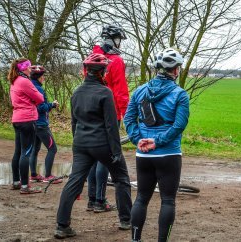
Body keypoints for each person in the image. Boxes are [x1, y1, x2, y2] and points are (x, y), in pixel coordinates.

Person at [55, 53, 132, 239]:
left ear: (87, 71)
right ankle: (126, 220)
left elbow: (74, 123)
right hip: (102, 144)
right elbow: (111, 125)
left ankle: (62, 225)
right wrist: (116, 151)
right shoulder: (105, 92)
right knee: (121, 177)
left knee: (74, 181)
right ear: (102, 72)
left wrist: (78, 143)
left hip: (81, 143)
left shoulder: (76, 92)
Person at [124, 48, 190, 242]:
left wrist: (138, 140)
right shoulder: (180, 94)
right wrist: (158, 141)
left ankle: (135, 239)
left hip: (143, 154)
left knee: (141, 198)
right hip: (168, 153)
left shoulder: (139, 91)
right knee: (167, 200)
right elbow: (179, 125)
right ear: (175, 70)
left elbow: (129, 119)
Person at [86, 24, 130, 213]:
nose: (120, 43)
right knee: (106, 157)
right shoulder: (116, 61)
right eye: (119, 39)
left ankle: (91, 198)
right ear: (113, 39)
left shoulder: (91, 58)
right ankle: (100, 200)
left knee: (93, 156)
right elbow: (120, 90)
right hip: (110, 110)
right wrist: (126, 114)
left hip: (90, 109)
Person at [8, 58, 44, 194]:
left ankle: (16, 182)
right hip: (27, 119)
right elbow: (40, 98)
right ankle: (25, 186)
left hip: (17, 119)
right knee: (26, 152)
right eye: (29, 67)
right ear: (23, 68)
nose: (31, 69)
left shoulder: (15, 81)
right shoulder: (24, 81)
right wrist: (33, 100)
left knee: (18, 151)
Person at [28, 65, 62, 184]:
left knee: (35, 150)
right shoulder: (39, 89)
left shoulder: (29, 86)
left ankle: (33, 175)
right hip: (41, 124)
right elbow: (40, 108)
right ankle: (48, 176)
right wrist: (52, 105)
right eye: (43, 76)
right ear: (39, 77)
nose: (44, 78)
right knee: (52, 149)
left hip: (32, 123)